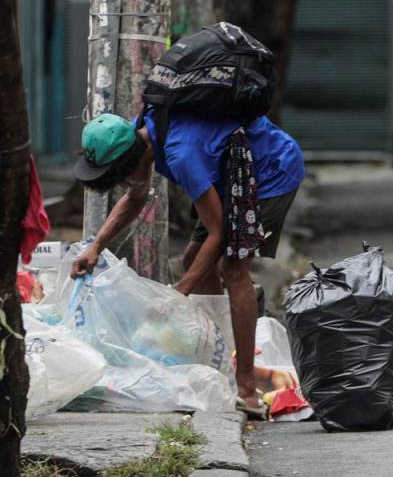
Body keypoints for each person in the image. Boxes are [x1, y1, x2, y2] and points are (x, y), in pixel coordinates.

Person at [70, 110, 304, 418]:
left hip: (269, 172)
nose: (128, 181)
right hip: (227, 175)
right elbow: (136, 197)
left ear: (132, 160)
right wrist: (96, 247)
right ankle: (223, 360)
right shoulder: (138, 133)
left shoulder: (181, 155)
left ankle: (246, 390)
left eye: (124, 175)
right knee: (196, 260)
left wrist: (179, 292)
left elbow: (219, 235)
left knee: (232, 269)